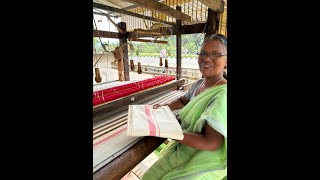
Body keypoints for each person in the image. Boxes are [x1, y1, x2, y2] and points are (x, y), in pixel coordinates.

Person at [141, 34, 227, 180]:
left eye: (216, 54)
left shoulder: (222, 95)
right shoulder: (198, 85)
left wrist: (171, 131)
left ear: (226, 61)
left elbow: (212, 143)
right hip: (184, 150)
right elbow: (183, 101)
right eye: (203, 53)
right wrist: (164, 107)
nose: (207, 58)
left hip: (200, 162)